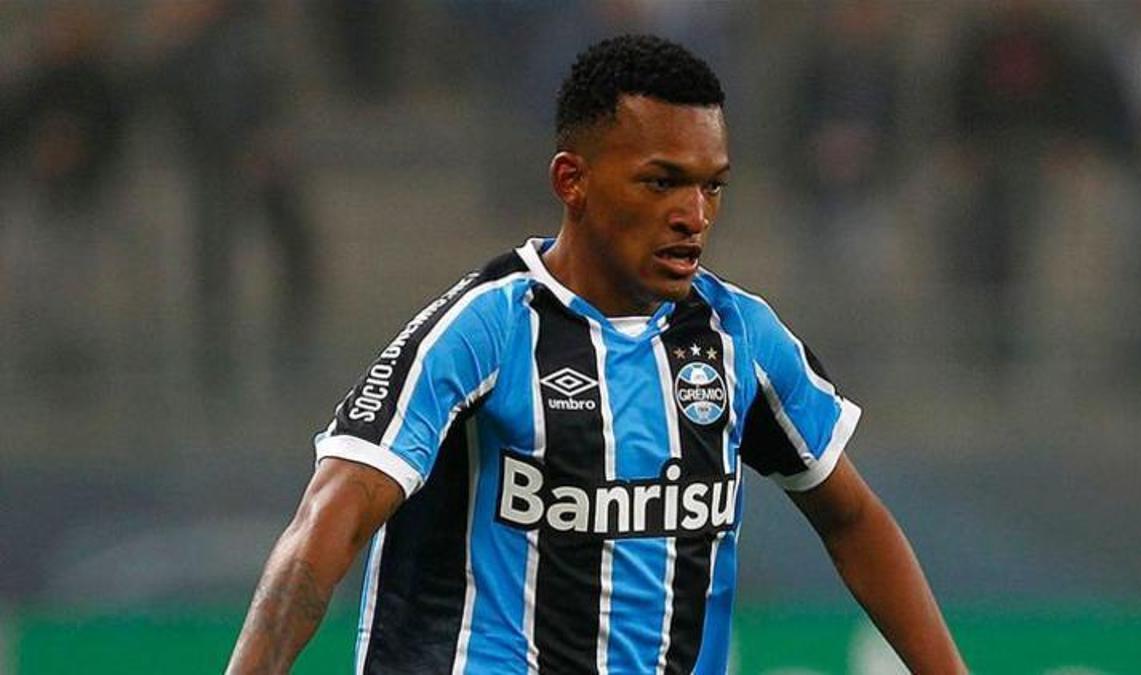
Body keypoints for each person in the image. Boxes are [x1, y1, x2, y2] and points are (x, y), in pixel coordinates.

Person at [226, 34, 966, 674]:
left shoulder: (740, 338)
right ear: (571, 181)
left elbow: (852, 519)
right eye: (662, 181)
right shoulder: (485, 330)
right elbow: (332, 517)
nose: (693, 215)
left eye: (712, 186)